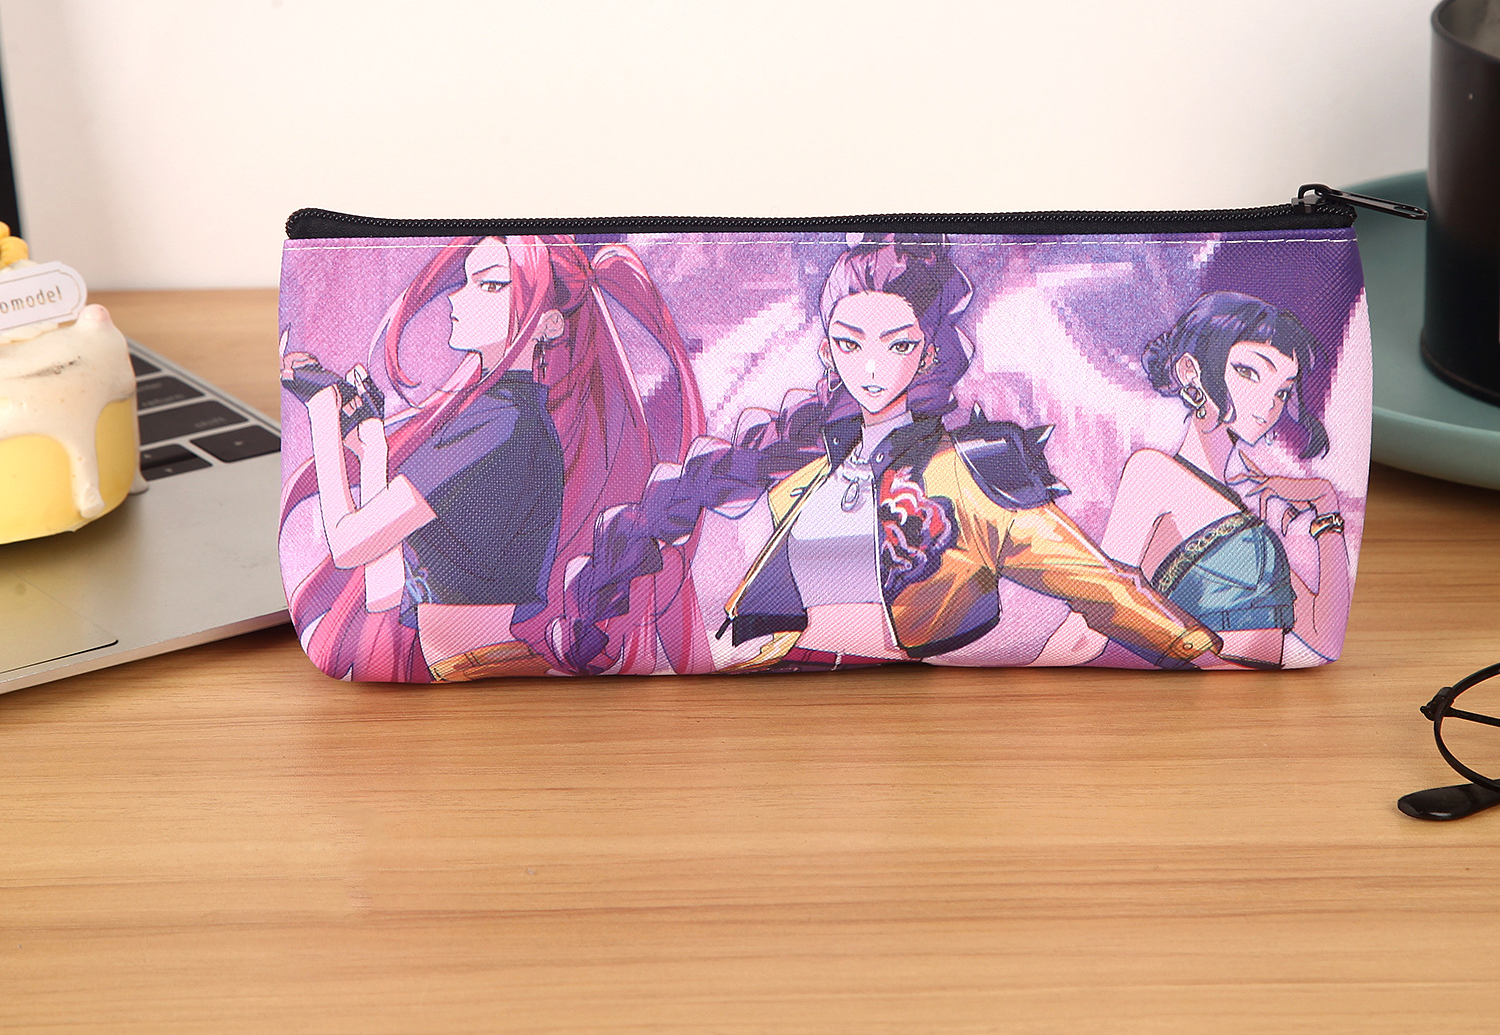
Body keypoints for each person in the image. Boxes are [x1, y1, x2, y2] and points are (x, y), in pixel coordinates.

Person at [564, 236, 1220, 674]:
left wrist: (1192, 647)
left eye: (897, 344)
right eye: (850, 344)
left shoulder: (974, 476)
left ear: (930, 350)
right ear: (827, 350)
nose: (872, 367)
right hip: (779, 739)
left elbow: (1101, 588)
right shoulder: (802, 477)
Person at [280, 234, 704, 681]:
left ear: (549, 324)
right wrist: (372, 447)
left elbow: (348, 545)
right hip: (473, 668)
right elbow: (384, 590)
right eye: (464, 282)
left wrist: (323, 413)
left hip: (478, 675)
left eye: (491, 285)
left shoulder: (494, 423)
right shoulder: (514, 418)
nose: (456, 298)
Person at [1100, 292, 1351, 669]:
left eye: (1282, 390)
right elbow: (1095, 616)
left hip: (1261, 699)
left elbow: (1325, 638)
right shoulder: (1153, 473)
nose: (1269, 404)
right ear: (1190, 371)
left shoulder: (1249, 503)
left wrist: (1326, 502)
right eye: (1249, 373)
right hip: (1182, 697)